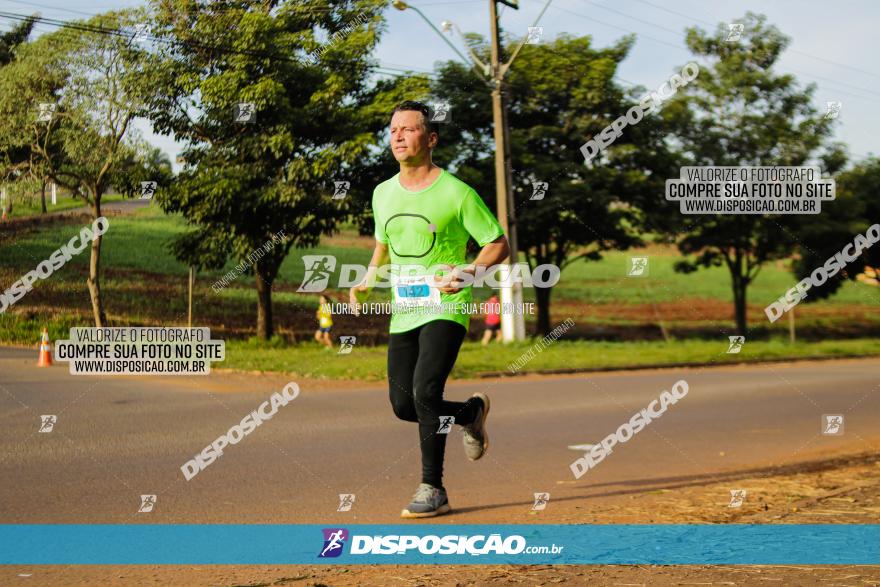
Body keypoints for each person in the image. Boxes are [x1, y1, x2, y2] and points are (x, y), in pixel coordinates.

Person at [350, 101, 510, 518]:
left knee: (425, 393)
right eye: (392, 130)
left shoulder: (457, 192)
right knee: (404, 405)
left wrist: (471, 273)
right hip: (406, 308)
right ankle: (470, 413)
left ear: (431, 138)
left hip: (447, 305)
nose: (398, 136)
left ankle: (432, 487)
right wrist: (369, 277)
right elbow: (385, 243)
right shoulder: (382, 193)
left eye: (408, 129)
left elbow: (498, 243)